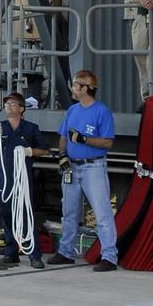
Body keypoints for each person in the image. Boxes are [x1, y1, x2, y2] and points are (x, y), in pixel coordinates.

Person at [48, 70, 118, 272]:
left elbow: (107, 142)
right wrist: (62, 155)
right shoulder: (72, 110)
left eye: (75, 85)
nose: (72, 89)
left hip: (92, 167)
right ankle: (66, 251)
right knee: (69, 211)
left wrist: (85, 139)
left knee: (101, 212)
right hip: (72, 165)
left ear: (84, 88)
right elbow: (63, 136)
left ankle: (109, 256)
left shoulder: (101, 112)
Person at [0, 90, 47, 268]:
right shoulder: (1, 126)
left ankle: (34, 254)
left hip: (23, 178)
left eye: (13, 104)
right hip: (4, 177)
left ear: (21, 109)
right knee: (6, 214)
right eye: (7, 104)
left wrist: (29, 152)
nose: (9, 107)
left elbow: (44, 149)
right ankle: (11, 252)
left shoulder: (31, 128)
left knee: (25, 214)